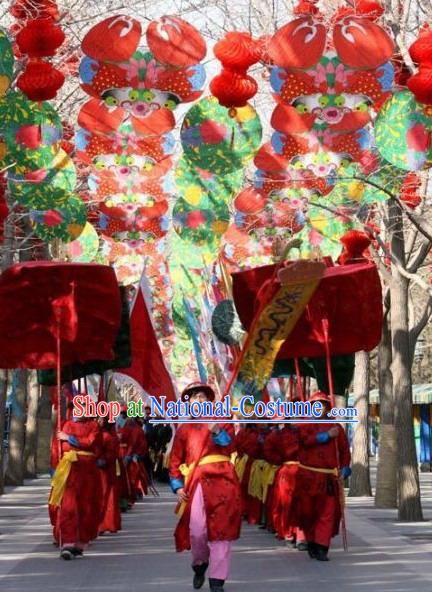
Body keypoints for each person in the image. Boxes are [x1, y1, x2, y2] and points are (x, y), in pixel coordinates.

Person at [169, 383, 241, 592]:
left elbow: (231, 447)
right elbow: (175, 461)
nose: (198, 401)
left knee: (222, 532)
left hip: (224, 481)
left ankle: (217, 581)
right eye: (193, 398)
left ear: (209, 401)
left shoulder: (222, 421)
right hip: (198, 482)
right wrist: (177, 486)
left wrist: (217, 430)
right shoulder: (184, 430)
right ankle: (200, 564)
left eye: (201, 397)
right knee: (197, 531)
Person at [293, 391, 351, 561]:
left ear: (327, 408)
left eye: (323, 405)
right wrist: (326, 436)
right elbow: (305, 441)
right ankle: (311, 542)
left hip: (329, 479)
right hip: (308, 477)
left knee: (328, 513)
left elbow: (344, 451)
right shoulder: (304, 426)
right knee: (309, 513)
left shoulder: (337, 428)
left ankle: (322, 547)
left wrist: (346, 468)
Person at [48, 399, 103, 560]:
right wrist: (54, 467)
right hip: (69, 470)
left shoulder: (93, 426)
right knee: (68, 506)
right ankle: (68, 542)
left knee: (86, 506)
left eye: (85, 407)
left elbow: (91, 442)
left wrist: (70, 439)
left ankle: (80, 541)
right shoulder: (64, 424)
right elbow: (56, 447)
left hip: (87, 471)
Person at [263, 422, 306, 549]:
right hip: (287, 472)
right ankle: (288, 533)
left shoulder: (308, 430)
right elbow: (268, 451)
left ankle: (302, 536)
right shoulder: (278, 435)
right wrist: (280, 460)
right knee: (285, 505)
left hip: (306, 472)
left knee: (304, 505)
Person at [97, 416, 121, 534]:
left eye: (101, 420)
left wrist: (100, 460)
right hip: (100, 470)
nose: (99, 421)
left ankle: (103, 524)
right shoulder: (104, 435)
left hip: (105, 470)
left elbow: (111, 455)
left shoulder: (107, 436)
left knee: (105, 496)